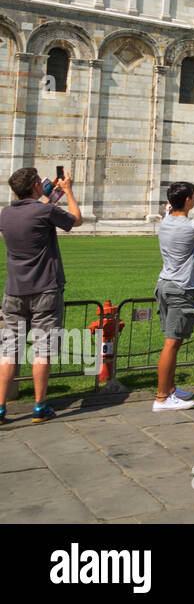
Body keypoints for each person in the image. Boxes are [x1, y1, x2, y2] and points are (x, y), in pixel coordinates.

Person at [0, 166, 82, 425]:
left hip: (14, 289)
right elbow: (76, 219)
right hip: (45, 288)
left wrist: (49, 195)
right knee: (42, 350)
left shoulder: (5, 213)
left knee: (8, 351)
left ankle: (0, 408)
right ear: (36, 185)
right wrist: (67, 190)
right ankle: (39, 406)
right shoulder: (44, 211)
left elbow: (34, 212)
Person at [152, 181, 194, 412]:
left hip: (165, 285)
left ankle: (170, 389)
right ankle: (161, 397)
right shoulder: (190, 227)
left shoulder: (166, 220)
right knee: (172, 343)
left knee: (172, 343)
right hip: (181, 289)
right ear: (188, 200)